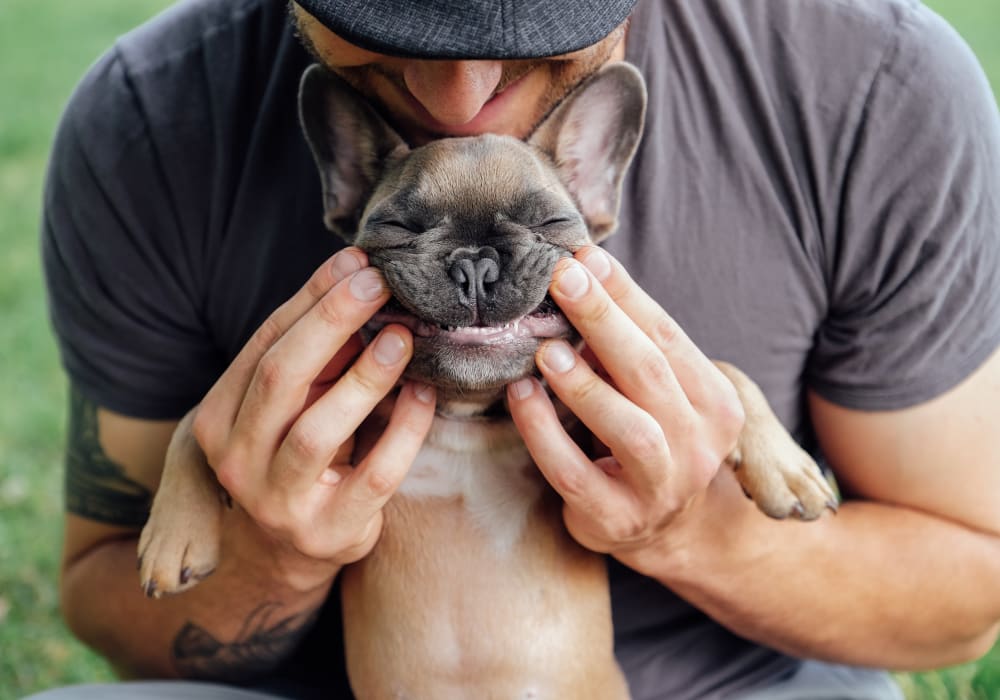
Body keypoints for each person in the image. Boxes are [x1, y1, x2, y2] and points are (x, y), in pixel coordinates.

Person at [34, 0, 1000, 698]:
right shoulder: (149, 115)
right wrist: (269, 555)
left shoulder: (876, 85)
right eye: (391, 21)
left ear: (593, 189)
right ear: (349, 194)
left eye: (543, 31)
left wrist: (694, 532)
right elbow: (110, 583)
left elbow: (970, 597)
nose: (461, 94)